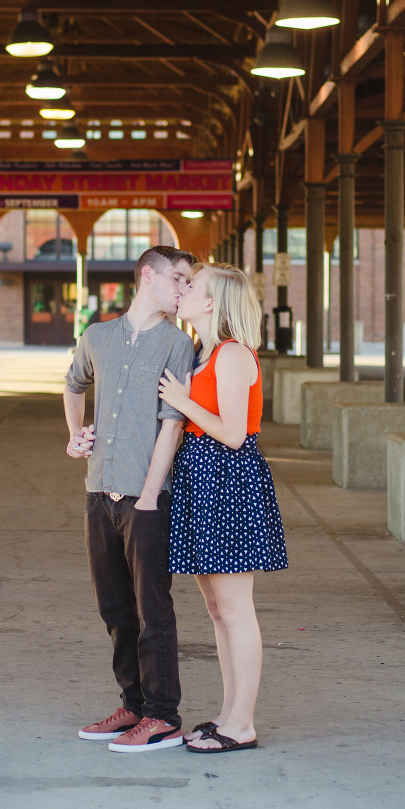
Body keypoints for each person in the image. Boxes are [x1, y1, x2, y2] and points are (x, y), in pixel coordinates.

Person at [64, 245, 196, 753]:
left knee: (152, 609)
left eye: (189, 283)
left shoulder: (177, 345)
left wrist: (148, 496)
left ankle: (163, 716)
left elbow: (172, 425)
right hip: (99, 492)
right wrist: (75, 435)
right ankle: (133, 706)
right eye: (179, 280)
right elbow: (73, 384)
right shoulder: (97, 336)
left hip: (146, 497)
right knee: (114, 608)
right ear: (148, 276)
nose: (185, 290)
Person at [158, 262, 288, 754]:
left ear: (211, 303)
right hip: (203, 480)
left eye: (192, 286)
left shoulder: (233, 355)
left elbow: (234, 434)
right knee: (217, 609)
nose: (183, 290)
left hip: (228, 482)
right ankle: (229, 714)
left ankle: (243, 724)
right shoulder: (203, 351)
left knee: (235, 609)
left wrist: (182, 401)